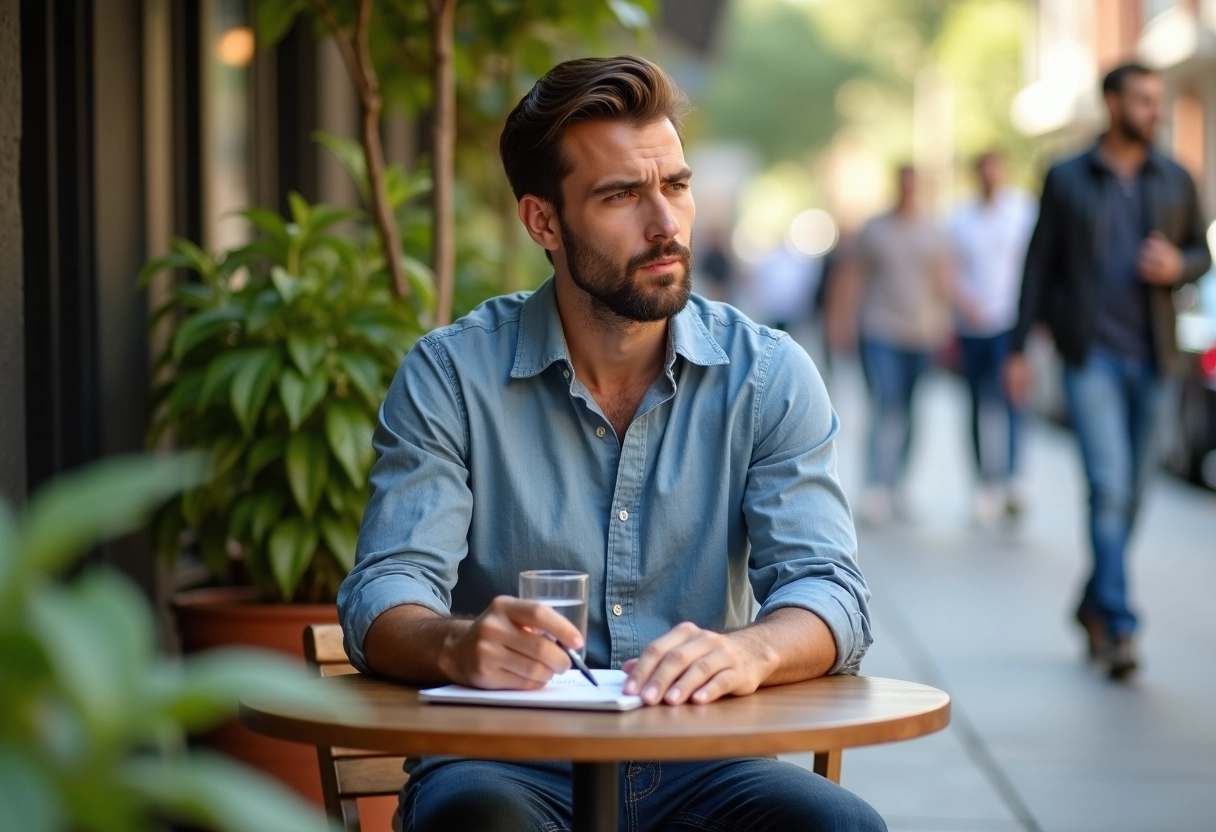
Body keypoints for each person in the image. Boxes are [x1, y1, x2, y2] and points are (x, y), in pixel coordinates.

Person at [338, 56, 884, 831]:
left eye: (677, 186)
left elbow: (828, 588)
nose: (666, 224)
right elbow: (386, 589)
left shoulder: (767, 377)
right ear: (543, 223)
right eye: (622, 195)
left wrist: (752, 651)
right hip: (505, 762)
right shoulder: (452, 376)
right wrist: (457, 645)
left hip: (706, 762)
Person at [1004, 63, 1211, 681]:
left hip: (1156, 357)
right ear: (1112, 104)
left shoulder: (1175, 177)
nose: (1155, 110)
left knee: (1134, 493)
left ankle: (1093, 602)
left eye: (1157, 100)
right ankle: (1120, 625)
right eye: (1143, 100)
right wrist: (1018, 349)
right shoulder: (1066, 177)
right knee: (1109, 486)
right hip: (1089, 355)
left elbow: (1201, 253)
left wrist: (1178, 264)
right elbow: (1038, 263)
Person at [832, 166, 953, 525]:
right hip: (880, 328)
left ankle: (898, 483)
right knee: (885, 404)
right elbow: (852, 276)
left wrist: (949, 322)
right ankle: (875, 486)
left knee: (912, 410)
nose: (909, 192)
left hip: (922, 333)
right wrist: (841, 320)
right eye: (904, 185)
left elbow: (942, 279)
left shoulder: (933, 231)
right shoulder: (875, 229)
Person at [949, 152, 1037, 525]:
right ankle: (983, 484)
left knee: (1014, 400)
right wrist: (963, 303)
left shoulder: (1023, 212)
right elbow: (949, 271)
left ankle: (1013, 480)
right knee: (976, 405)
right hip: (972, 326)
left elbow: (1036, 266)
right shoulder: (959, 220)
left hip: (1010, 322)